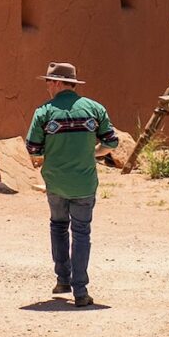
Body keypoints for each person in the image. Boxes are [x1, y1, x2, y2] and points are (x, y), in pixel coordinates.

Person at [26, 62, 118, 306]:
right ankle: (80, 291)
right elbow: (111, 143)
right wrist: (92, 153)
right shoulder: (95, 109)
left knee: (58, 225)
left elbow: (33, 148)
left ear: (57, 83)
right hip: (85, 182)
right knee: (81, 233)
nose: (47, 86)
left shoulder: (43, 112)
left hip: (55, 182)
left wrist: (52, 153)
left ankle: (62, 279)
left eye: (48, 81)